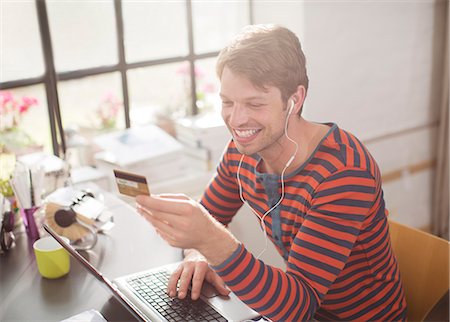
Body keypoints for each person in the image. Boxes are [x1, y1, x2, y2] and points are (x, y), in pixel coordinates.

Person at [136, 24, 407, 321]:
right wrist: (198, 251)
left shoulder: (344, 174)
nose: (236, 120)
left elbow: (299, 306)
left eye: (254, 104)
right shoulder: (243, 153)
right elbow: (209, 215)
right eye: (228, 102)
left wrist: (211, 242)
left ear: (295, 100)